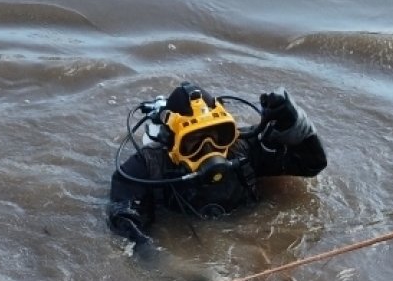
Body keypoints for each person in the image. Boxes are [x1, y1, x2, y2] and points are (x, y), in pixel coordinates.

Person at [108, 81, 326, 253]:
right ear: (171, 143)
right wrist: (172, 265)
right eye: (194, 142)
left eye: (218, 136)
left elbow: (312, 163)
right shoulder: (145, 168)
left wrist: (294, 123)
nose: (210, 149)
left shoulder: (244, 149)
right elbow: (123, 222)